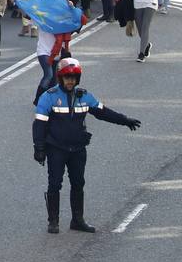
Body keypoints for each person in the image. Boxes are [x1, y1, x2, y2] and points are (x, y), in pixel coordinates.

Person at [33, 58, 142, 234]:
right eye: (67, 78)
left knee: (78, 183)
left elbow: (103, 112)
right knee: (54, 184)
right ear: (60, 78)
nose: (70, 81)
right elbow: (39, 125)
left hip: (77, 149)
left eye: (74, 78)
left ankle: (77, 220)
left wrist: (124, 120)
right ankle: (53, 221)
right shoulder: (49, 97)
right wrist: (39, 148)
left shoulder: (84, 96)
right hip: (56, 149)